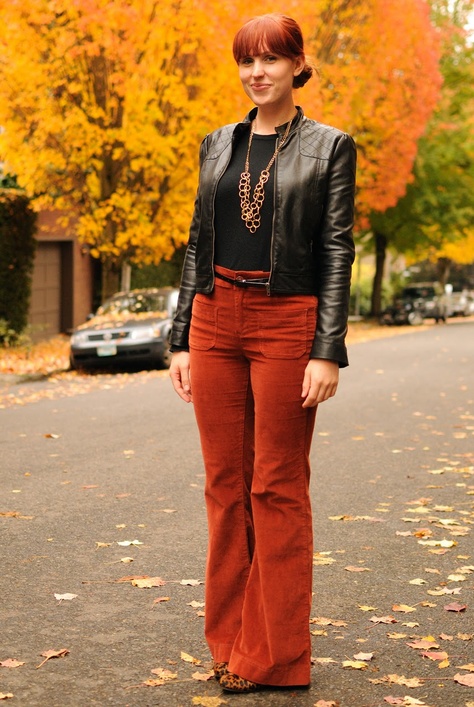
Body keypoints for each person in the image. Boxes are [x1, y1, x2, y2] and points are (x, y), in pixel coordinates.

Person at [169, 13, 356, 694]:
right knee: (224, 487)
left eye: (272, 60)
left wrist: (326, 348)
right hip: (215, 319)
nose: (257, 72)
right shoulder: (218, 144)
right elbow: (197, 241)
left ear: (297, 65)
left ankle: (274, 654)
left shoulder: (331, 146)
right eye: (247, 61)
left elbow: (336, 248)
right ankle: (228, 641)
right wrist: (181, 335)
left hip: (286, 322)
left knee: (275, 486)